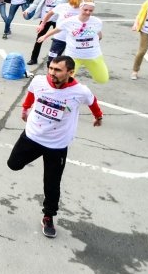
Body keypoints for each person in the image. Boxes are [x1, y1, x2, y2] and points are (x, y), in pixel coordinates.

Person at [7, 56, 103, 238]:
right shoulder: (39, 81)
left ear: (70, 72)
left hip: (57, 145)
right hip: (32, 136)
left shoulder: (80, 91)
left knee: (52, 183)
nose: (52, 73)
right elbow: (31, 94)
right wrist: (25, 108)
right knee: (13, 164)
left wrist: (98, 117)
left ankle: (48, 216)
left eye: (57, 70)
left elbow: (93, 102)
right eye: (50, 68)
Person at [38, 0, 108, 83]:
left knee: (102, 80)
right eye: (85, 10)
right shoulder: (70, 21)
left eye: (90, 10)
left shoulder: (97, 21)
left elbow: (99, 33)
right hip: (73, 56)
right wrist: (44, 36)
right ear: (80, 8)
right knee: (65, 81)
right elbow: (57, 29)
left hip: (93, 55)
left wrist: (98, 38)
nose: (88, 12)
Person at [23, 0, 70, 65]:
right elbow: (36, 2)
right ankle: (33, 58)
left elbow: (70, 6)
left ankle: (57, 60)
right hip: (45, 18)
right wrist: (28, 10)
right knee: (39, 38)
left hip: (58, 20)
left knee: (59, 40)